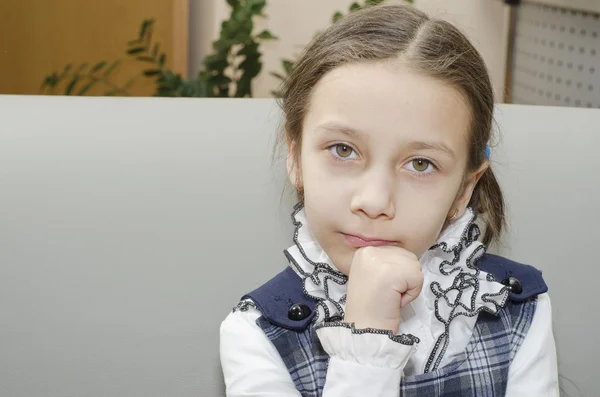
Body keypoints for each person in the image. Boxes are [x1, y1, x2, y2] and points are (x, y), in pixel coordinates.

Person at [219, 4, 559, 396]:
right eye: (343, 150)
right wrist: (367, 340)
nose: (375, 201)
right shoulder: (256, 335)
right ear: (295, 159)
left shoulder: (519, 306)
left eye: (420, 163)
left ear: (464, 189)